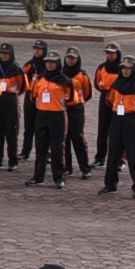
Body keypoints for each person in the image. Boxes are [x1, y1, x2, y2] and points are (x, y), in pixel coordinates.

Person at [98, 56, 135, 198]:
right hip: (117, 119)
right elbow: (110, 100)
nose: (125, 71)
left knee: (134, 154)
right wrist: (119, 109)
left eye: (128, 68)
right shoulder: (116, 84)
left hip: (131, 120)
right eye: (123, 68)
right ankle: (110, 184)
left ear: (134, 69)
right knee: (113, 153)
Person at [24, 54, 72, 189]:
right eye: (48, 62)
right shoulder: (40, 79)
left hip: (57, 115)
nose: (50, 65)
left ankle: (59, 177)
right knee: (40, 146)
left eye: (53, 62)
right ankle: (38, 176)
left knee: (57, 147)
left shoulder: (64, 80)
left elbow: (71, 98)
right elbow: (33, 96)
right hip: (42, 115)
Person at [0, 44, 26, 171]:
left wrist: (12, 93)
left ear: (11, 54)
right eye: (2, 53)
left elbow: (23, 87)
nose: (4, 56)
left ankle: (12, 161)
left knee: (11, 133)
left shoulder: (17, 69)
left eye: (6, 53)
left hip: (11, 101)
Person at [60, 48, 94, 180]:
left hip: (76, 108)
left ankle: (85, 168)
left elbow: (88, 93)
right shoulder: (60, 74)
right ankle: (67, 167)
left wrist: (77, 100)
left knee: (78, 137)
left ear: (78, 59)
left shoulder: (82, 75)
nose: (70, 60)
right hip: (62, 109)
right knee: (65, 138)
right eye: (68, 58)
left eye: (73, 58)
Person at [92, 44, 123, 165]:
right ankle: (100, 158)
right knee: (103, 128)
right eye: (107, 53)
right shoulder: (102, 68)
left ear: (117, 53)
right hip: (105, 96)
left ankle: (120, 159)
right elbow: (96, 84)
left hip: (120, 97)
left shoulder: (123, 67)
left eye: (112, 53)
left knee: (119, 129)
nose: (109, 55)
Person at [19, 39, 48, 161]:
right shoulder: (28, 65)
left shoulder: (48, 65)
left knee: (44, 126)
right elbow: (22, 81)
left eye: (39, 49)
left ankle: (45, 152)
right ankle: (26, 151)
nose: (36, 51)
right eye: (35, 48)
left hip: (44, 96)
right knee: (29, 125)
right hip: (30, 95)